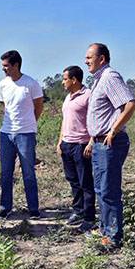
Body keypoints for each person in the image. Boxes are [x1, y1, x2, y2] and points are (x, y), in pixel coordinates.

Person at [85, 43, 135, 249]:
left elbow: (130, 104)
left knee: (108, 190)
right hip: (99, 143)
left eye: (89, 57)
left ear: (102, 59)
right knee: (100, 189)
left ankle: (113, 238)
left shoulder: (110, 77)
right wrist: (93, 138)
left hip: (110, 143)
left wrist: (113, 130)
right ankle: (104, 230)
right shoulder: (98, 81)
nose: (86, 60)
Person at [0, 50, 44, 219]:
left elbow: (39, 106)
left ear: (16, 65)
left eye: (6, 66)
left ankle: (33, 209)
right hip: (6, 134)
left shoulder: (30, 84)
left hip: (26, 134)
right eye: (2, 66)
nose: (3, 69)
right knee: (6, 172)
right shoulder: (2, 84)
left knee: (28, 172)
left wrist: (29, 123)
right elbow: (5, 107)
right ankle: (5, 207)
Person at [56, 65, 96, 233]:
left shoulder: (88, 96)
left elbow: (96, 120)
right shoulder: (68, 97)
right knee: (73, 180)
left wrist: (91, 142)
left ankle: (89, 217)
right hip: (67, 144)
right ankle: (78, 211)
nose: (63, 82)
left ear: (74, 80)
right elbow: (65, 121)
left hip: (82, 145)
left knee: (85, 181)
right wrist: (60, 142)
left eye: (65, 79)